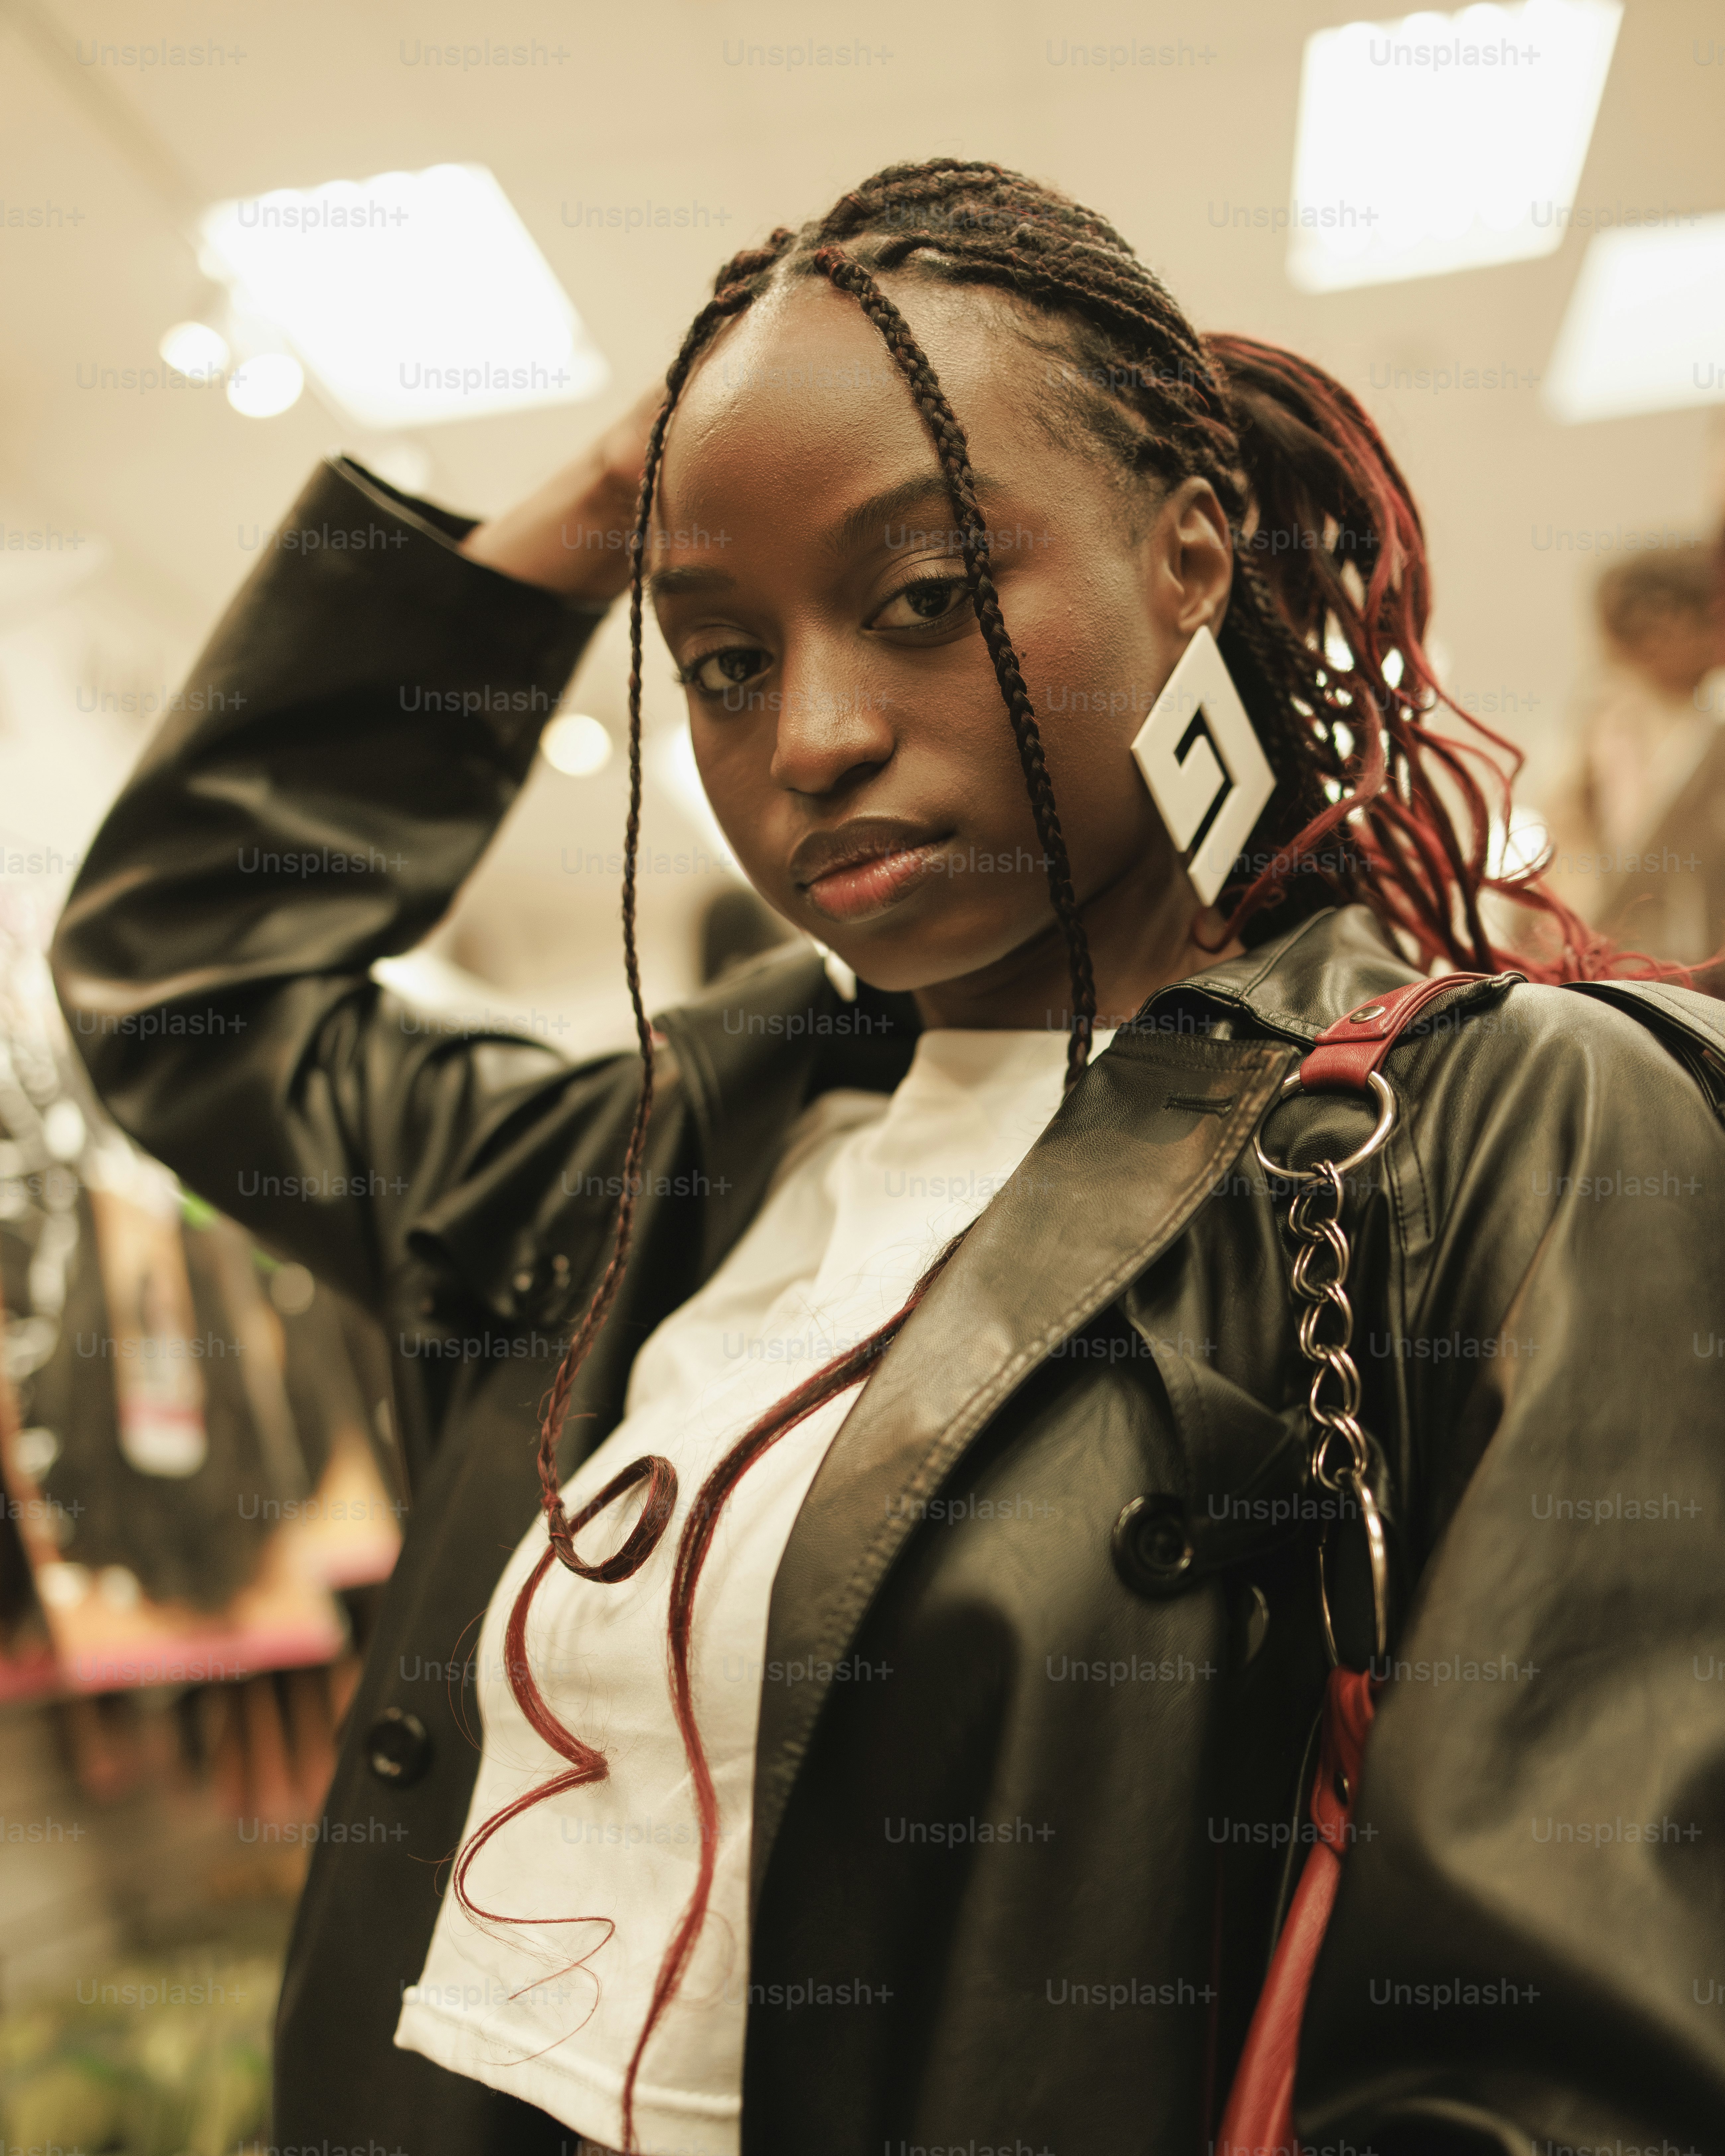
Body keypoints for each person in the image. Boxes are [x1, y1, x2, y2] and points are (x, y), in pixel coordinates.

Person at [51, 161, 1725, 2156]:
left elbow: (1537, 2075)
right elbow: (188, 980)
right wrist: (591, 522)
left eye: (921, 595)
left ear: (1188, 551)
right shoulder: (668, 1155)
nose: (811, 734)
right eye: (723, 654)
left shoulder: (1475, 1133)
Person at [1541, 536, 1725, 973]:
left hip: (1698, 976)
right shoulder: (1605, 717)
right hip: (1618, 966)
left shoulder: (1711, 721)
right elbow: (1573, 836)